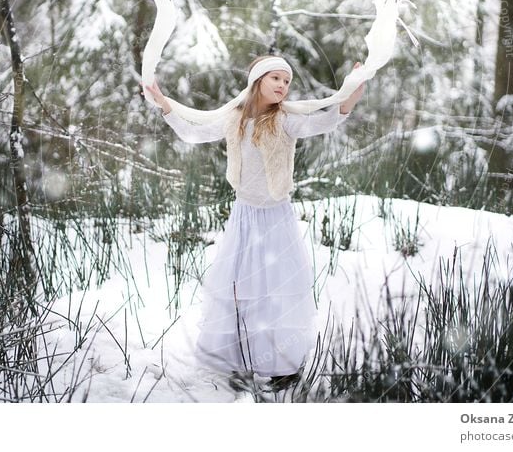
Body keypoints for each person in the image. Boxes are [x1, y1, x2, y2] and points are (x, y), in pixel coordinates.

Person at [142, 55, 366, 394]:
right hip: (244, 217)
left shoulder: (286, 119)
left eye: (286, 81)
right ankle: (241, 358)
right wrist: (163, 103)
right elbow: (192, 132)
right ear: (258, 80)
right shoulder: (235, 119)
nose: (282, 85)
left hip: (276, 217)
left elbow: (325, 122)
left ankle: (280, 366)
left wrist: (351, 92)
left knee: (275, 288)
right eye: (275, 78)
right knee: (240, 287)